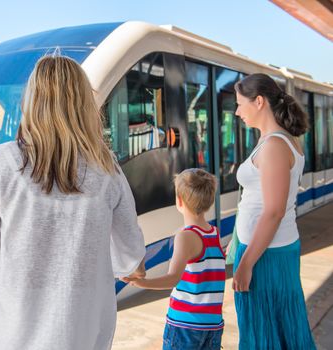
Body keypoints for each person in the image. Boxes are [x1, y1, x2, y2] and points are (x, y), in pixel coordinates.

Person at [0, 55, 146, 350]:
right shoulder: (108, 169)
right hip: (84, 336)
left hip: (10, 337)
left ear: (30, 102)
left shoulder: (1, 163)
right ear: (85, 106)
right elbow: (132, 262)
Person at [233, 73, 316, 349]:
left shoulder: (275, 146)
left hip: (265, 256)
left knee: (263, 332)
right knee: (279, 328)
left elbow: (274, 211)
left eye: (240, 103)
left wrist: (245, 263)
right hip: (267, 250)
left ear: (258, 102)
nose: (237, 111)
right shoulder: (274, 140)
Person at [124, 168, 225, 350]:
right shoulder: (214, 233)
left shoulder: (186, 237)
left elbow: (173, 278)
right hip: (212, 325)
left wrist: (142, 283)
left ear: (179, 201)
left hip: (185, 326)